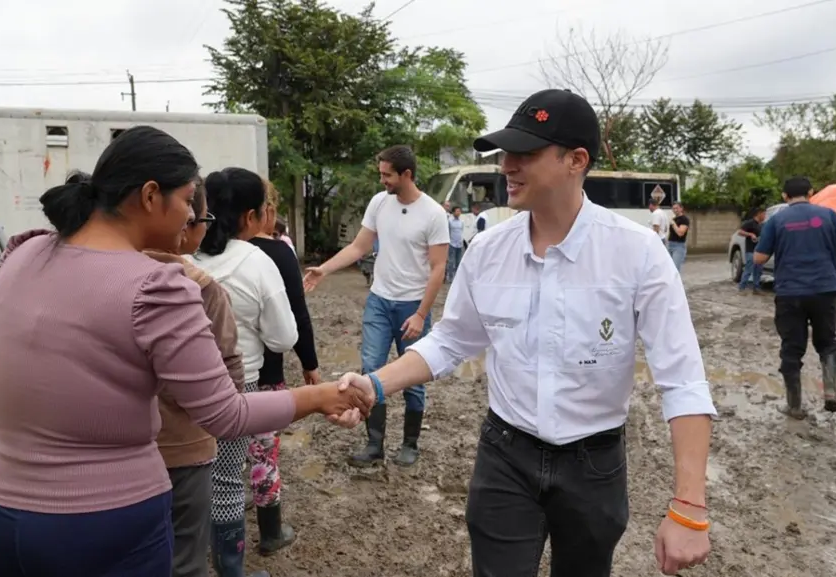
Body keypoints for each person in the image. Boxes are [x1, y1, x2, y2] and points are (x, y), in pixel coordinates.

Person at [328, 89, 716, 577]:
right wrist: (375, 382)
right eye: (506, 152)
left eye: (525, 153)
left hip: (594, 465)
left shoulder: (637, 255)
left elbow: (682, 380)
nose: (507, 164)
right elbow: (451, 339)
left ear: (576, 160)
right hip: (506, 457)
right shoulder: (489, 251)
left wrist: (688, 507)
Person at [0, 126, 369, 577]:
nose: (192, 217)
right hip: (104, 521)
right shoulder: (157, 286)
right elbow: (225, 416)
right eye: (187, 201)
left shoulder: (23, 251)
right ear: (150, 195)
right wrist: (319, 397)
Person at [304, 145, 449, 467]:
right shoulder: (379, 203)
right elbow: (359, 246)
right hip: (379, 302)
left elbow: (439, 267)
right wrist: (325, 269)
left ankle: (410, 443)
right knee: (371, 370)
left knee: (413, 376)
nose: (382, 180)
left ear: (406, 174)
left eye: (387, 175)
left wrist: (421, 314)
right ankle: (375, 444)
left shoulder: (434, 214)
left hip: (412, 305)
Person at [190, 167, 301, 577]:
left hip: (175, 388)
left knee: (181, 478)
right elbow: (283, 337)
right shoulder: (257, 261)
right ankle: (230, 569)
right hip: (239, 386)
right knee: (226, 482)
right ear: (252, 216)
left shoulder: (179, 254)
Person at [143, 179, 242, 577]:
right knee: (185, 557)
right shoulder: (200, 287)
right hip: (183, 448)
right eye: (200, 215)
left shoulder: (92, 273)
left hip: (111, 453)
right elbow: (229, 374)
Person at [244, 177, 321, 556]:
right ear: (265, 212)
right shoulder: (276, 254)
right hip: (265, 373)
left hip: (215, 375)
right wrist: (311, 365)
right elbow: (298, 316)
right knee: (262, 454)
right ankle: (270, 532)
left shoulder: (205, 251)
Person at [754, 176, 836, 418]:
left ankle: (795, 406)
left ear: (784, 196)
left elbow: (758, 259)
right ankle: (830, 392)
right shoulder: (829, 215)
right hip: (824, 289)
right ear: (811, 192)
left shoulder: (776, 220)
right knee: (828, 342)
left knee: (791, 348)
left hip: (790, 292)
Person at [737, 207, 766, 294]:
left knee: (758, 270)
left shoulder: (761, 225)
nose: (765, 216)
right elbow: (740, 232)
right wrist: (750, 234)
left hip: (759, 251)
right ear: (759, 214)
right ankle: (742, 288)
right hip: (750, 250)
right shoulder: (750, 223)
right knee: (749, 269)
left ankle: (756, 288)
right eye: (764, 214)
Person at [667, 202, 690, 271]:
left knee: (675, 269)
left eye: (677, 208)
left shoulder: (684, 219)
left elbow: (680, 233)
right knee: (668, 268)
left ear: (681, 208)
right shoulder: (674, 219)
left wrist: (673, 223)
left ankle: (676, 282)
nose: (675, 210)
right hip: (670, 244)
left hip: (678, 246)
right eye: (673, 208)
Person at [446, 205, 465, 282]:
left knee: (458, 261)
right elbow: (448, 231)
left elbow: (461, 231)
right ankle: (450, 277)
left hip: (459, 244)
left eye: (459, 211)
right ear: (453, 212)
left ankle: (457, 277)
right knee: (451, 261)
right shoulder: (450, 221)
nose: (458, 213)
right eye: (457, 211)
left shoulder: (461, 222)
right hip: (452, 243)